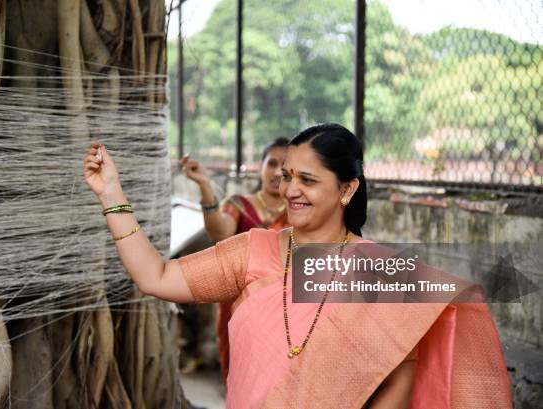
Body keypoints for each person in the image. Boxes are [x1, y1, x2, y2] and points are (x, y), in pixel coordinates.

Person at [83, 123, 512, 408]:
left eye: (308, 180)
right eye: (288, 176)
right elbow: (155, 276)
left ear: (347, 189)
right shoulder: (253, 250)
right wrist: (111, 195)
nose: (290, 190)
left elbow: (402, 374)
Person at [179, 137, 290, 381]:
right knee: (242, 376)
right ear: (260, 167)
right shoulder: (239, 204)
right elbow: (220, 232)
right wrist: (205, 186)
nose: (277, 172)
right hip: (240, 305)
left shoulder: (300, 209)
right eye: (272, 163)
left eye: (285, 165)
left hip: (286, 309)